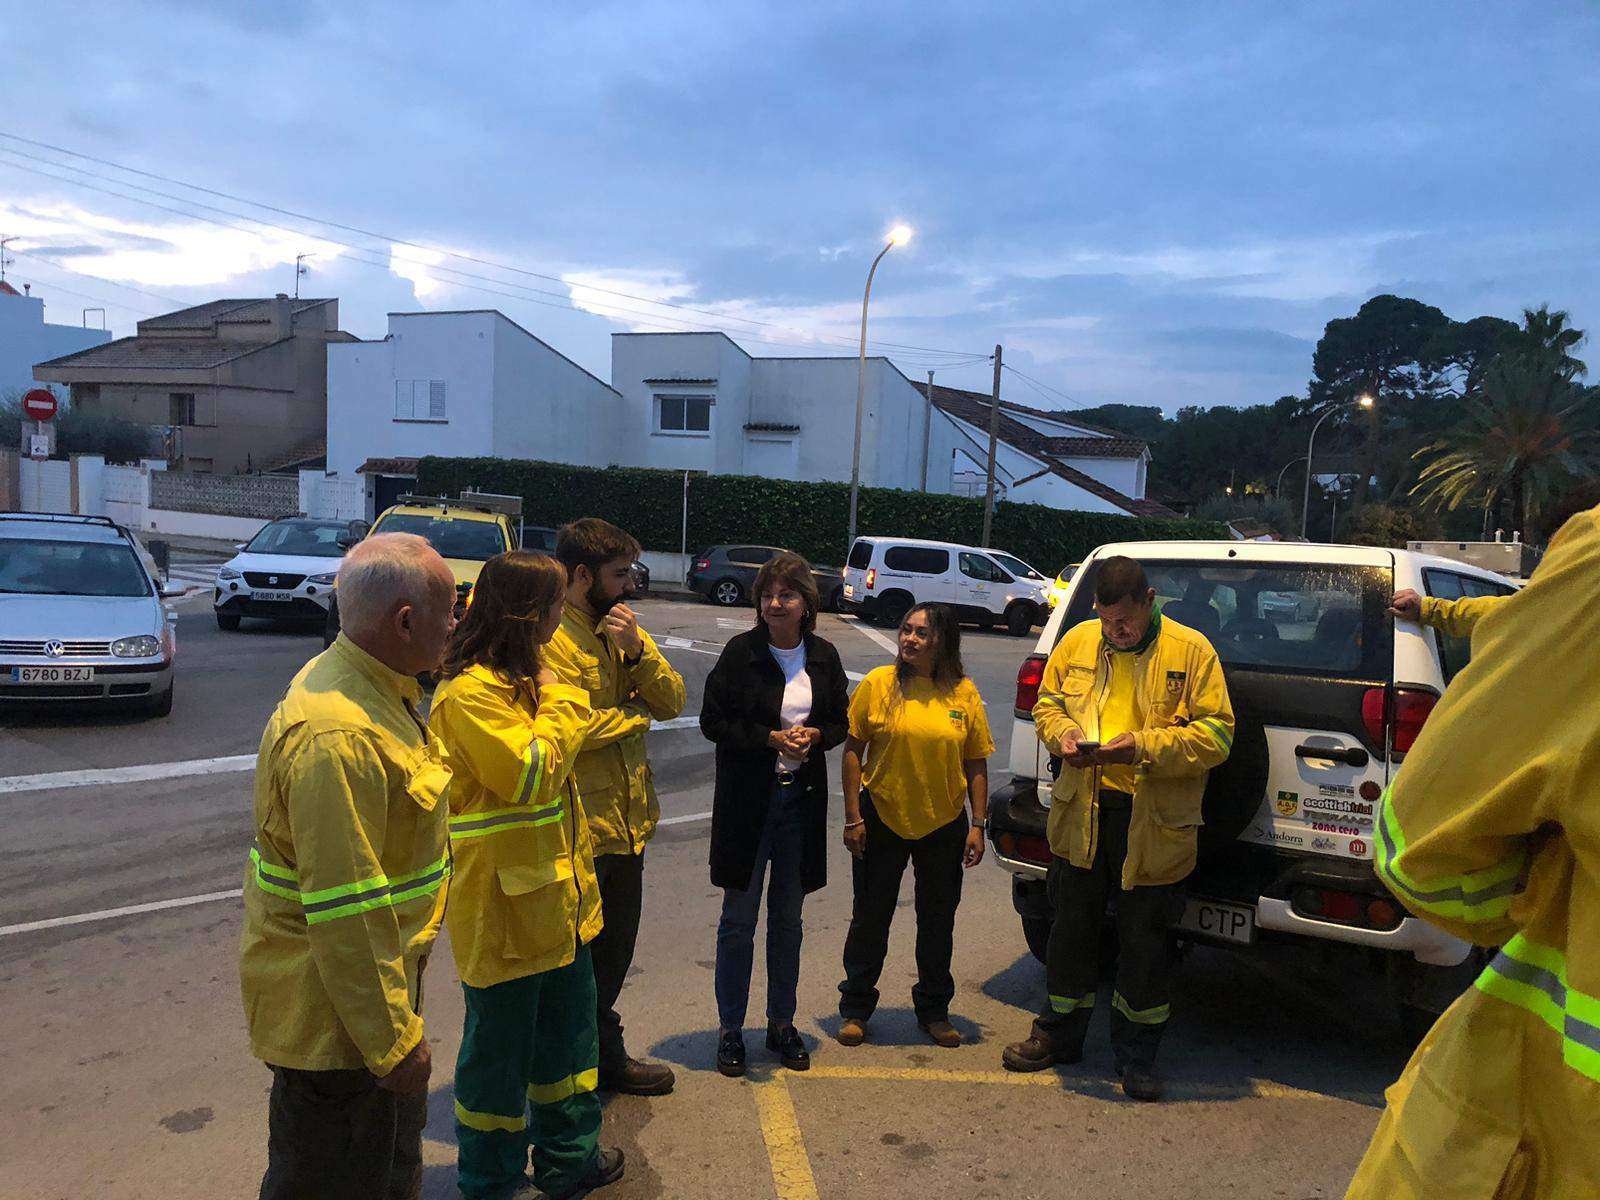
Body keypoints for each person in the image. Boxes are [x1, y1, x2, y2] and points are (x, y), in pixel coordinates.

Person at [1347, 509, 1600, 1197]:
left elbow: (1421, 850)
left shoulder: (1587, 583)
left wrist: (1532, 877)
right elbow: (1496, 621)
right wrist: (1427, 607)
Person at [239, 533, 457, 1200]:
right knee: (334, 1182)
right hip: (343, 1031)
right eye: (450, 610)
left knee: (386, 1176)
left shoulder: (377, 687)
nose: (457, 625)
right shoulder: (340, 736)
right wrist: (392, 1043)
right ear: (404, 621)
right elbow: (348, 908)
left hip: (365, 1008)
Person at [429, 551, 625, 1200]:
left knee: (569, 1052)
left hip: (560, 909)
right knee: (497, 1064)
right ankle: (490, 1179)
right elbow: (532, 772)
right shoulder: (471, 694)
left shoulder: (523, 684)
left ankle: (571, 1160)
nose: (561, 614)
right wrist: (567, 694)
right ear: (527, 612)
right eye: (554, 604)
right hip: (506, 917)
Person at [1002, 556, 1233, 1102]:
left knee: (1144, 944)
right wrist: (1060, 735)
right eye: (1107, 622)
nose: (1116, 632)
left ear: (1150, 600)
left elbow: (1219, 736)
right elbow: (1048, 703)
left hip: (1151, 823)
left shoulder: (1191, 652)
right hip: (1082, 812)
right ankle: (1058, 1035)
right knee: (1070, 931)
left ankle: (1138, 1057)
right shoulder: (1080, 640)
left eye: (1124, 622)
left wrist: (1143, 745)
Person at [544, 518, 687, 1095]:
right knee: (579, 966)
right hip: (580, 830)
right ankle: (575, 1070)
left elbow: (673, 700)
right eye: (619, 574)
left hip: (628, 825)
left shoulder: (623, 627)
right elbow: (567, 726)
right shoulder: (552, 637)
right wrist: (632, 714)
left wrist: (635, 658)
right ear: (582, 575)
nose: (631, 585)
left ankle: (598, 1057)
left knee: (615, 956)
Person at [700, 552, 851, 1077]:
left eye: (785, 595)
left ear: (806, 604)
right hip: (749, 804)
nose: (773, 603)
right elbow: (712, 721)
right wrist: (768, 737)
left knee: (789, 920)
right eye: (766, 595)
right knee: (738, 921)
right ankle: (730, 1030)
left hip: (799, 805)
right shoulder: (740, 653)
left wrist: (816, 735)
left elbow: (838, 722)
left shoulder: (824, 657)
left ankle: (781, 1024)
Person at [836, 602, 994, 1049]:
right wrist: (853, 816)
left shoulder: (963, 693)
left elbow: (976, 761)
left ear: (942, 641)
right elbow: (853, 751)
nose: (909, 639)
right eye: (906, 630)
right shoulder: (877, 684)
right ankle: (855, 1010)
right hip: (881, 816)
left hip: (943, 823)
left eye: (921, 633)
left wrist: (977, 825)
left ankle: (934, 1011)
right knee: (870, 917)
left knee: (937, 922)